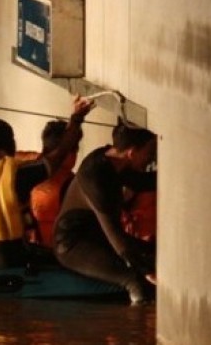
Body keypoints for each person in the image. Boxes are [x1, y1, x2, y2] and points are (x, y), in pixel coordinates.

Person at [0, 95, 93, 268]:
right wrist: (77, 118)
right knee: (67, 262)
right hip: (10, 257)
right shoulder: (17, 175)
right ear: (9, 142)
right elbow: (60, 154)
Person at [53, 122, 158, 304]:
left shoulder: (116, 160)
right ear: (131, 153)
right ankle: (137, 331)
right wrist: (147, 272)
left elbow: (142, 182)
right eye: (150, 153)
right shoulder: (95, 177)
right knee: (135, 281)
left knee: (156, 253)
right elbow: (117, 238)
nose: (151, 159)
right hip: (73, 244)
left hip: (99, 236)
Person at [27, 119, 80, 251]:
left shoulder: (27, 171)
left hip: (33, 251)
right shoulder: (72, 185)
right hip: (59, 254)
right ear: (69, 154)